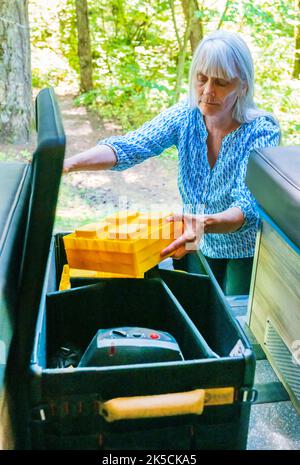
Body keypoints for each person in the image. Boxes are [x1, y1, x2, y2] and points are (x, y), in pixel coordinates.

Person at [63, 30, 280, 295]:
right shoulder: (185, 116)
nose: (208, 91)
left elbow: (246, 207)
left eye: (222, 83)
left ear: (243, 86)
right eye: (202, 79)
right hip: (196, 241)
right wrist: (68, 164)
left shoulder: (261, 130)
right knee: (200, 313)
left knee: (234, 321)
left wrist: (202, 224)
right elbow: (131, 146)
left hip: (244, 251)